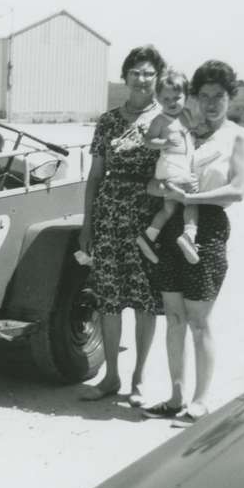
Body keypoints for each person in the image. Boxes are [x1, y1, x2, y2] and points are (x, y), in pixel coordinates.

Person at [142, 60, 244, 426]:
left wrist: (192, 200)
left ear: (230, 97)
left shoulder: (237, 136)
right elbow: (151, 183)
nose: (210, 103)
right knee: (173, 317)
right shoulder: (182, 129)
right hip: (171, 219)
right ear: (193, 97)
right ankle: (175, 396)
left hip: (206, 227)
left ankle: (201, 400)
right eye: (203, 96)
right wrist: (169, 190)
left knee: (199, 321)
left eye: (218, 96)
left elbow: (236, 190)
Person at [78, 45, 168, 406]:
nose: (142, 79)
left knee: (146, 301)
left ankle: (138, 379)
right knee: (110, 300)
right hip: (110, 220)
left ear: (157, 77)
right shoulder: (108, 121)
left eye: (149, 73)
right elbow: (95, 175)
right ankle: (111, 375)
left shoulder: (166, 120)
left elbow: (175, 171)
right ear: (125, 76)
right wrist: (88, 224)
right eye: (136, 72)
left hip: (148, 223)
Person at [136, 70, 200, 266]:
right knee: (191, 200)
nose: (172, 102)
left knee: (169, 209)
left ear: (185, 97)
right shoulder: (160, 120)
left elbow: (194, 131)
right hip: (170, 166)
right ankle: (189, 235)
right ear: (159, 99)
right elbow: (148, 141)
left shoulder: (186, 115)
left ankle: (149, 236)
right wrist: (163, 142)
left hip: (181, 165)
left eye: (177, 97)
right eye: (166, 99)